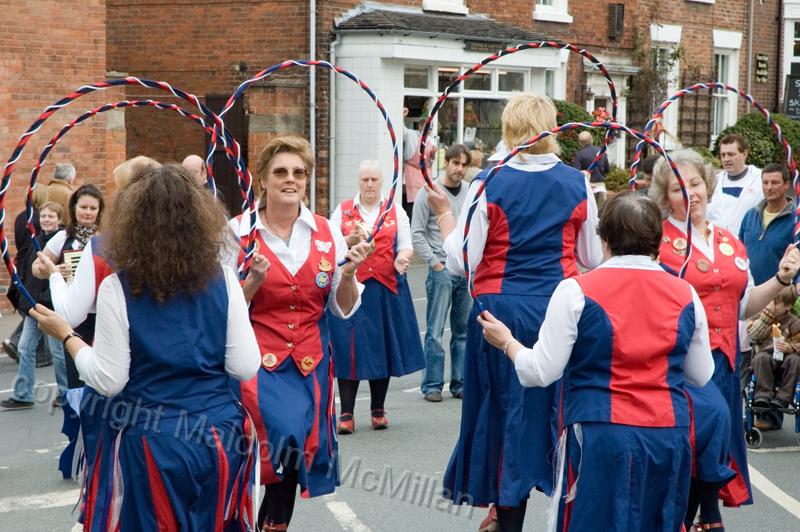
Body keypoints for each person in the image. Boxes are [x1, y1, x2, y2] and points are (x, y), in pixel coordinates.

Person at [31, 163, 260, 531]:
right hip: (221, 436)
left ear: (132, 223)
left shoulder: (117, 287)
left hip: (154, 441)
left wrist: (68, 337)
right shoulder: (225, 280)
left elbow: (109, 379)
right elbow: (245, 366)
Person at [477, 192, 714, 531]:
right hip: (667, 433)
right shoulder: (685, 292)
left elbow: (540, 371)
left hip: (602, 431)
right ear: (657, 240)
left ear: (604, 240)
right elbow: (701, 374)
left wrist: (508, 343)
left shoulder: (576, 290)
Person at [427, 93, 603, 531]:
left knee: (503, 413)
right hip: (556, 307)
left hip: (500, 312)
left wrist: (445, 216)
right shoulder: (577, 182)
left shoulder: (490, 182)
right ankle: (554, 501)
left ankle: (505, 511)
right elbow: (592, 257)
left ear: (509, 129)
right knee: (552, 413)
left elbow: (461, 261)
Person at [230, 136, 371, 531]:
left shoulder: (326, 231)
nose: (290, 179)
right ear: (262, 179)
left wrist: (349, 274)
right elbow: (223, 311)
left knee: (296, 448)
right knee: (277, 439)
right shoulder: (238, 232)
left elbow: (342, 308)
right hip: (257, 362)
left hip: (311, 361)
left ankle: (273, 524)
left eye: (298, 172)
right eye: (280, 172)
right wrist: (252, 283)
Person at [650, 148, 800, 512]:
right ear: (665, 197)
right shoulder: (656, 242)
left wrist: (781, 279)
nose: (690, 193)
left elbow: (744, 305)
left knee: (713, 458)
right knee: (683, 461)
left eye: (696, 184)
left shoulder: (729, 241)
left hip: (726, 366)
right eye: (678, 188)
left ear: (708, 185)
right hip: (678, 370)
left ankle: (706, 519)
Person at [328, 160, 424, 433]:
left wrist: (402, 259)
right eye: (365, 180)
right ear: (358, 181)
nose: (369, 184)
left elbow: (405, 246)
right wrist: (348, 241)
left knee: (381, 349)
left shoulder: (395, 210)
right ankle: (346, 413)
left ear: (381, 181)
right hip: (350, 289)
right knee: (349, 349)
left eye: (374, 179)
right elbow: (332, 247)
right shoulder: (343, 210)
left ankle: (378, 409)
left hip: (385, 289)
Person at [412, 144, 472, 403]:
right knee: (435, 331)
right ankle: (432, 385)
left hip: (464, 270)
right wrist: (435, 263)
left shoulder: (470, 191)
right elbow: (417, 233)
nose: (459, 169)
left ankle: (459, 383)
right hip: (441, 269)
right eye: (455, 163)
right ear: (446, 162)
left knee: (463, 331)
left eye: (464, 164)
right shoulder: (429, 191)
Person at [737, 162, 794, 428]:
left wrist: (789, 294)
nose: (769, 188)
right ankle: (746, 410)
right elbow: (739, 252)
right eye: (765, 182)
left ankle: (770, 414)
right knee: (748, 356)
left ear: (786, 185)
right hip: (751, 296)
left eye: (775, 183)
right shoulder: (751, 216)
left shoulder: (794, 220)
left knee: (774, 354)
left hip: (781, 299)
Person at [1, 202, 68, 410]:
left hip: (53, 306)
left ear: (59, 220)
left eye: (51, 216)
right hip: (34, 305)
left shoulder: (63, 243)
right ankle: (23, 394)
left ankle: (66, 393)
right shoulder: (35, 241)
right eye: (44, 216)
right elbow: (29, 272)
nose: (46, 220)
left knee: (58, 352)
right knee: (24, 347)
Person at [3, 185, 49, 364]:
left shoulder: (21, 217)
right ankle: (17, 342)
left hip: (20, 263)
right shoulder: (36, 219)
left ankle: (36, 353)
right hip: (32, 264)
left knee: (32, 309)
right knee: (36, 309)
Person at [747, 286, 800, 412]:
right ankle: (762, 394)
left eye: (775, 303)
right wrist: (766, 319)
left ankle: (783, 398)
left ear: (788, 306)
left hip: (786, 357)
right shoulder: (759, 316)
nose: (770, 305)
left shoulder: (794, 322)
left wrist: (791, 348)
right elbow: (754, 335)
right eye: (769, 300)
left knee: (795, 360)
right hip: (766, 356)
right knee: (761, 358)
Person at [708, 134, 763, 236]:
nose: (726, 159)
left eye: (731, 154)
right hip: (716, 242)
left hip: (746, 242)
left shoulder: (760, 180)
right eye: (723, 155)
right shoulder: (714, 182)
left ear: (745, 154)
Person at [402, 107, 436, 219]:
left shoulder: (432, 141)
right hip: (411, 172)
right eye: (427, 127)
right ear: (421, 126)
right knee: (411, 201)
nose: (429, 130)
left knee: (424, 199)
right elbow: (401, 129)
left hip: (425, 173)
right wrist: (403, 116)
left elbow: (431, 161)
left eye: (430, 128)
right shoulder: (411, 135)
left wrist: (433, 155)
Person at [571, 130, 610, 209]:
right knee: (600, 212)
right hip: (601, 186)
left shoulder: (580, 155)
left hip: (587, 186)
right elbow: (607, 170)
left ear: (580, 142)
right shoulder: (601, 153)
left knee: (588, 212)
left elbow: (577, 173)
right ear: (591, 139)